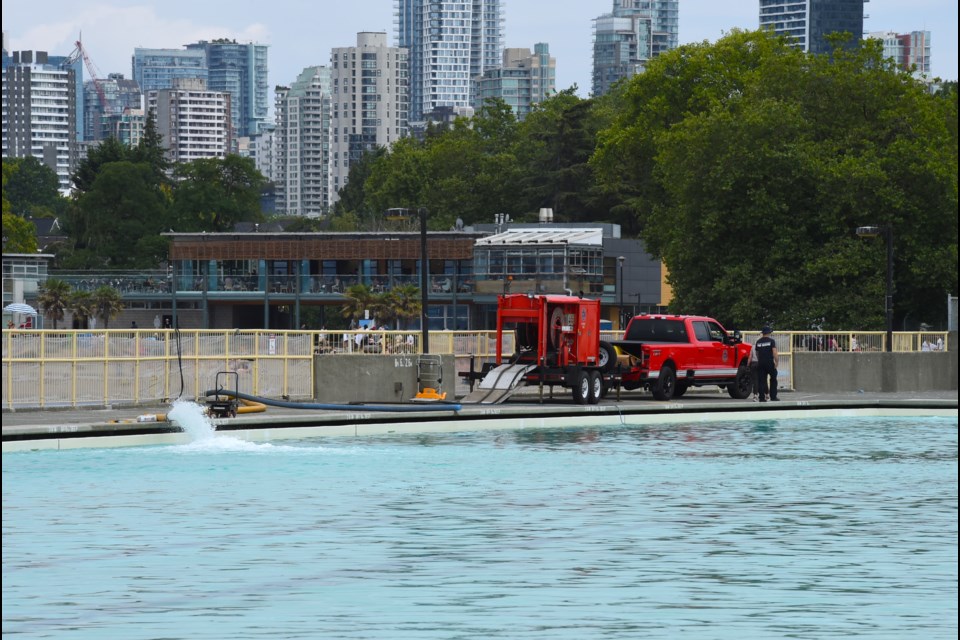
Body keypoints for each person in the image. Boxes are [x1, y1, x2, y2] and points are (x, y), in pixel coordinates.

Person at [754, 325, 779, 402]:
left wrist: (760, 360)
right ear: (769, 333)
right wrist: (776, 362)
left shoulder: (758, 342)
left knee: (761, 381)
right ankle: (773, 397)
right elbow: (774, 352)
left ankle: (761, 398)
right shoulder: (771, 341)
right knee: (773, 379)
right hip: (769, 363)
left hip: (761, 363)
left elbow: (757, 353)